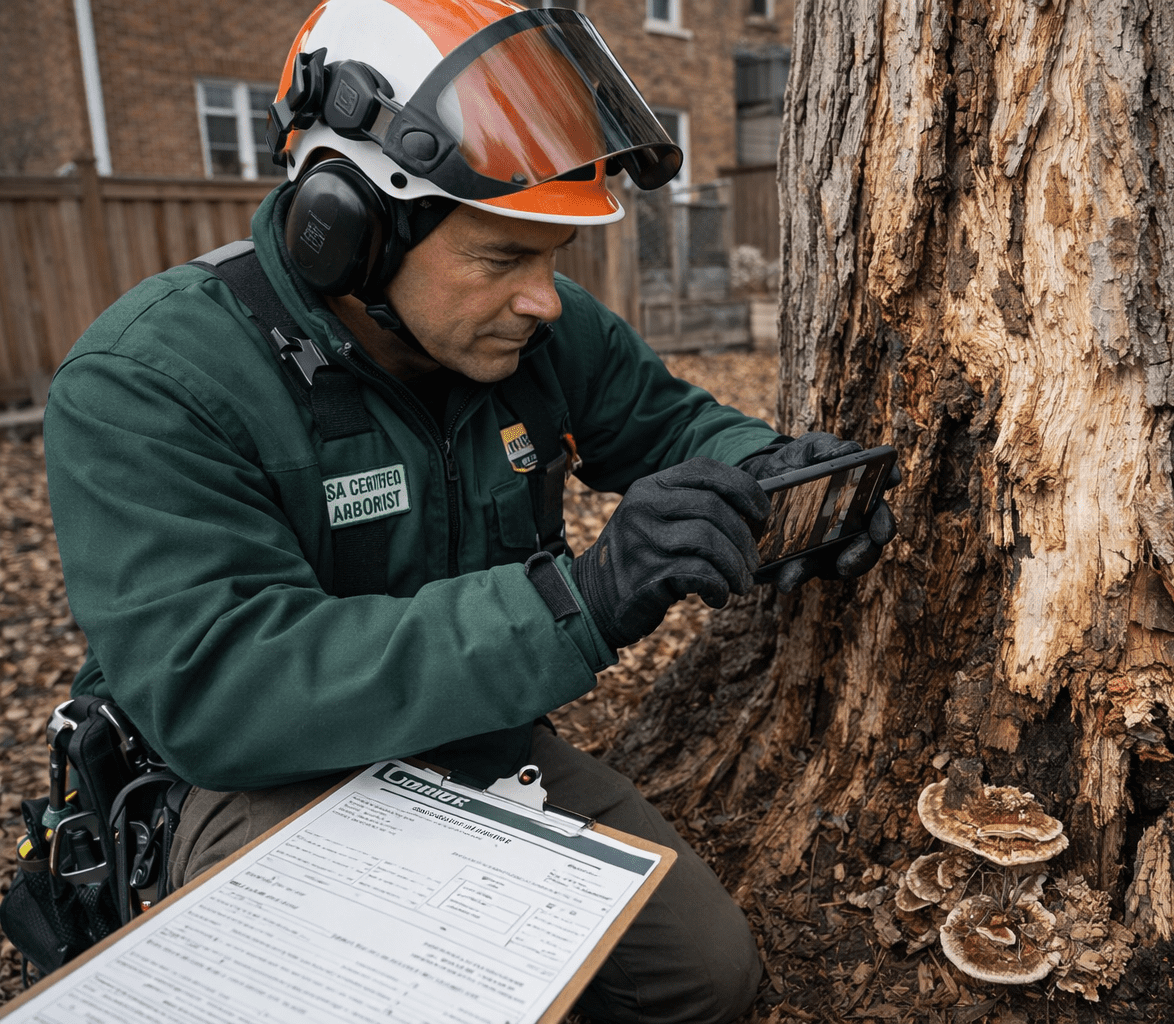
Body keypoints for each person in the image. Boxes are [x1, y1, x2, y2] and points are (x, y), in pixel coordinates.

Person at [42, 2, 894, 1022]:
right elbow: (222, 687)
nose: (545, 299)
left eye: (553, 259)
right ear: (345, 233)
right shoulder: (149, 382)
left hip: (465, 731)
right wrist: (579, 600)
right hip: (247, 770)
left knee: (701, 976)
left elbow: (670, 425)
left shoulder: (538, 332)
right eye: (503, 259)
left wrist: (771, 476)